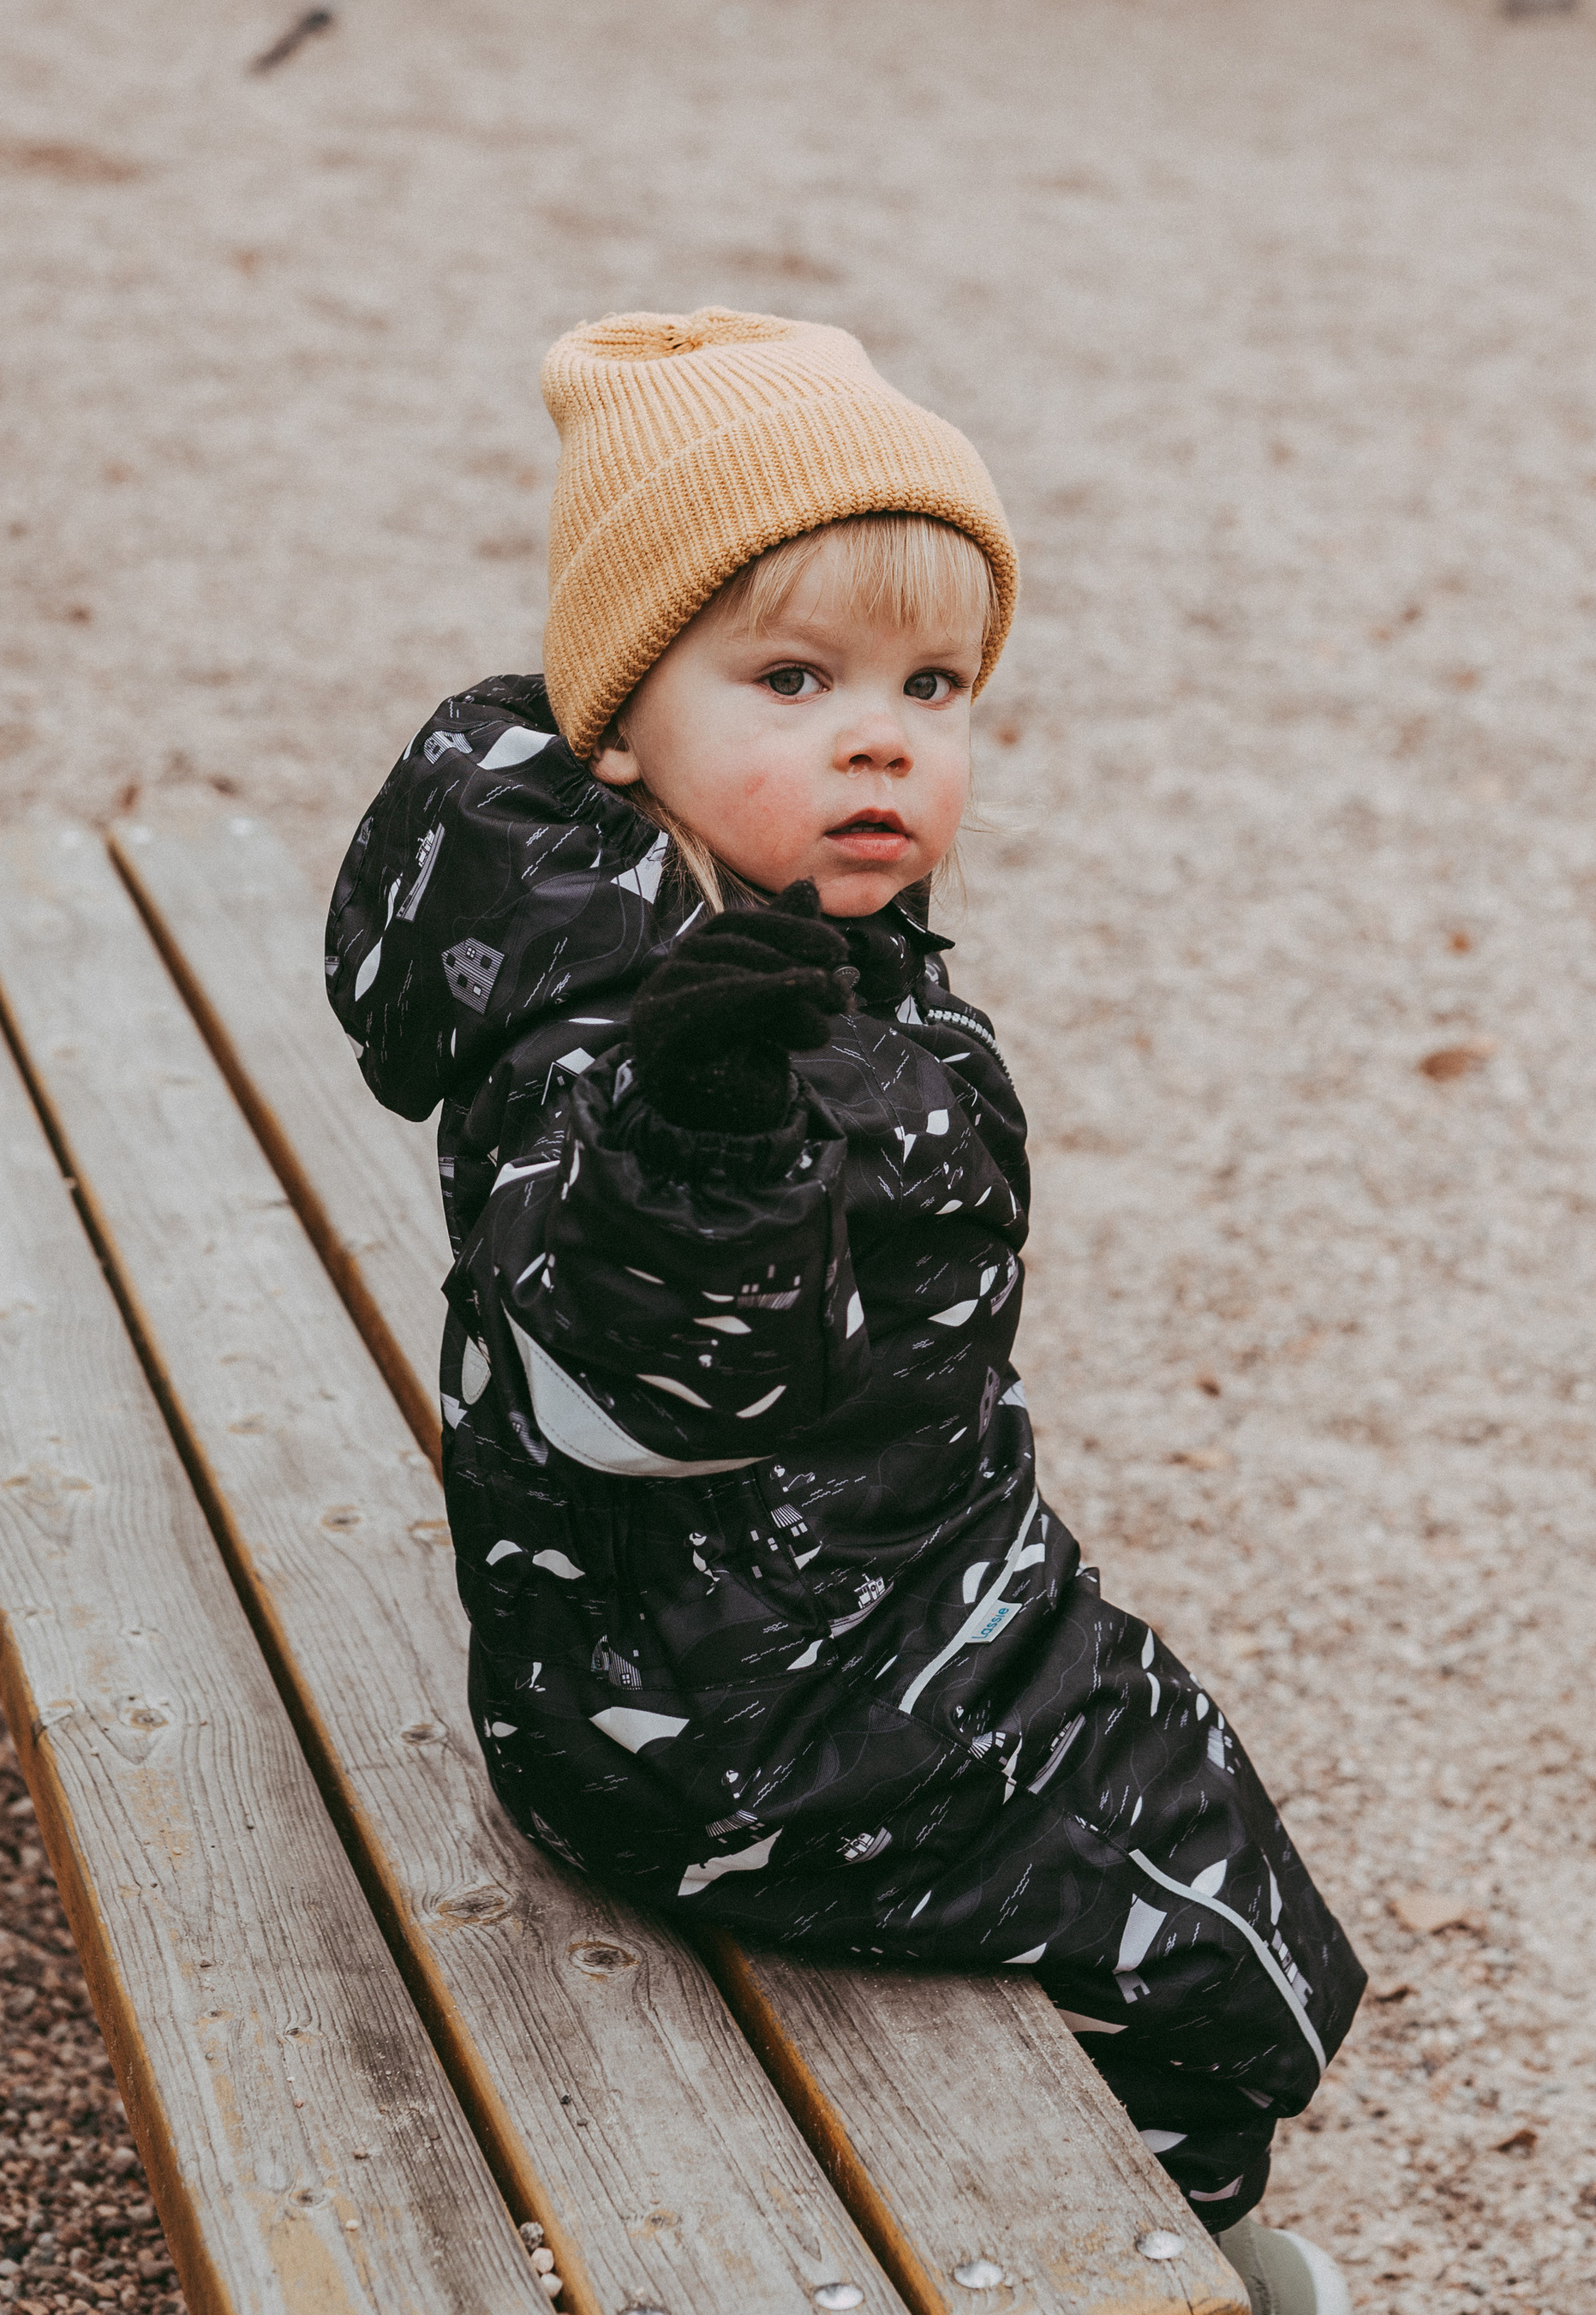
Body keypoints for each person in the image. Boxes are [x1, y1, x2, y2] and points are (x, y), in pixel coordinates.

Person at [327, 308, 1364, 2315]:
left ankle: (1153, 2213)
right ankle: (1133, 2262)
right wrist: (702, 1145)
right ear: (624, 720)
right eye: (791, 680)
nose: (879, 736)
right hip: (726, 1723)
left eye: (929, 685)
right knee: (1217, 1950)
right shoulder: (630, 1039)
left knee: (1199, 1817)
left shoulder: (747, 929)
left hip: (832, 1611)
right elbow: (646, 1398)